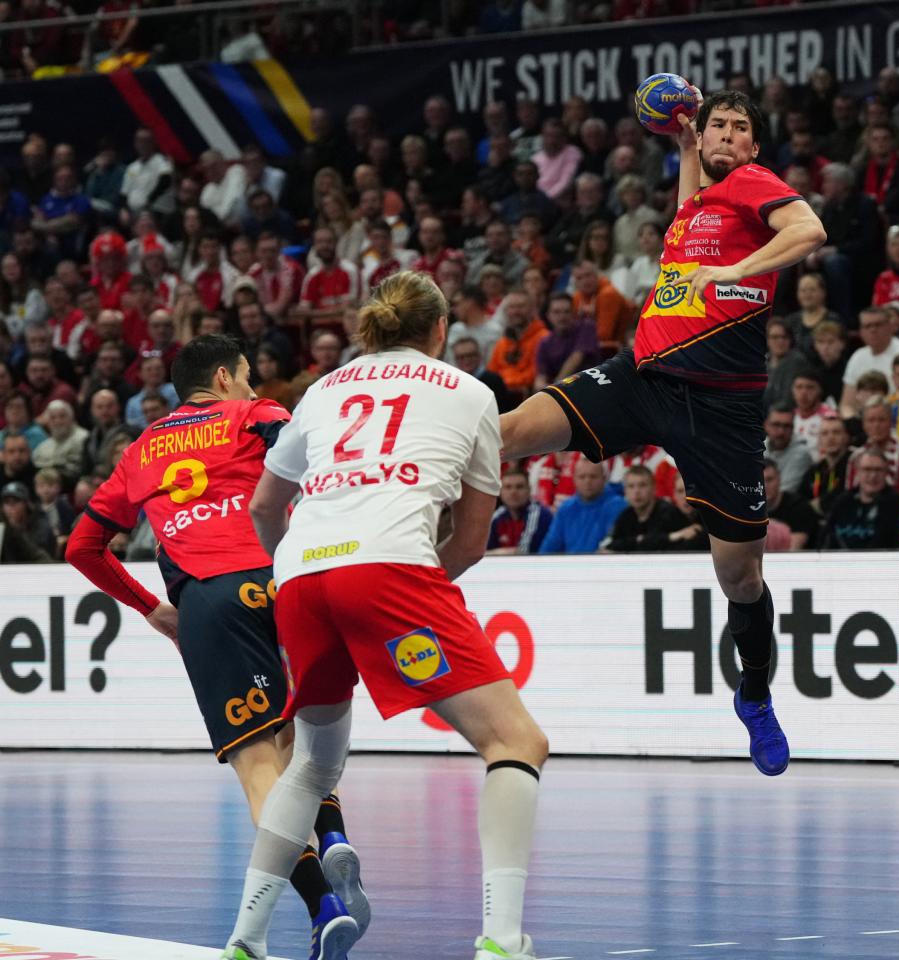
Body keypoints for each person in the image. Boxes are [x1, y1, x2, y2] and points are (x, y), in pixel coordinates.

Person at [498, 88, 827, 777]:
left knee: (740, 577)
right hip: (643, 376)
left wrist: (734, 271)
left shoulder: (752, 184)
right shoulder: (701, 204)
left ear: (754, 146)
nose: (727, 134)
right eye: (717, 126)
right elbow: (692, 214)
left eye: (740, 128)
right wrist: (684, 149)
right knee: (514, 430)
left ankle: (755, 695)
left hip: (721, 408)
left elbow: (809, 231)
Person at [225, 273, 546, 960]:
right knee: (516, 742)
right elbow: (469, 541)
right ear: (439, 330)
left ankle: (246, 939)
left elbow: (262, 507)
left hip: (301, 574)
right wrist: (394, 601)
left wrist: (302, 576)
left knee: (311, 765)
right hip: (389, 566)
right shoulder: (471, 393)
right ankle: (501, 940)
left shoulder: (322, 389)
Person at [62, 335, 370, 960]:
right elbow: (318, 457)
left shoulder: (140, 451)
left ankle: (322, 905)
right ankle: (333, 832)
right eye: (249, 375)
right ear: (225, 378)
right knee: (298, 739)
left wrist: (152, 608)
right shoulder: (255, 414)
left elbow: (81, 547)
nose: (253, 386)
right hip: (284, 581)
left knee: (259, 769)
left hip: (209, 601)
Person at [537, 457, 626, 554]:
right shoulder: (565, 509)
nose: (587, 481)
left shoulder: (620, 507)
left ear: (604, 478)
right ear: (574, 479)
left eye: (593, 476)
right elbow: (548, 550)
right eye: (582, 477)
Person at [820, 449, 899, 549]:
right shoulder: (842, 502)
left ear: (886, 473)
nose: (873, 476)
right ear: (858, 472)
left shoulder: (898, 505)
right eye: (867, 469)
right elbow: (824, 540)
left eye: (878, 470)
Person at [487, 467, 552, 556]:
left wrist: (495, 553)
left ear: (529, 490)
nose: (513, 492)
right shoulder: (496, 516)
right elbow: (480, 551)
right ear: (500, 491)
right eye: (508, 487)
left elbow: (522, 552)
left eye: (519, 487)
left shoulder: (540, 514)